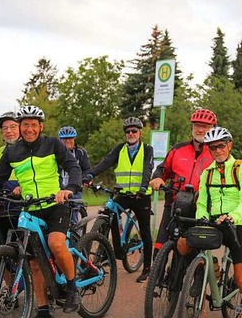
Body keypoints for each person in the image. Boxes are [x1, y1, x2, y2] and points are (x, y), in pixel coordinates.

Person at [0, 105, 83, 318]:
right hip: (29, 209)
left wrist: (69, 188)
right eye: (25, 125)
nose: (29, 129)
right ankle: (44, 313)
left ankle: (72, 288)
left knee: (56, 243)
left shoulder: (53, 144)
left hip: (55, 205)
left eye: (33, 125)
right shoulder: (12, 151)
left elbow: (72, 166)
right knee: (34, 263)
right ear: (20, 127)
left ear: (41, 127)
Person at [178, 126, 242, 318]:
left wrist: (234, 215)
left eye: (221, 146)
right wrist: (201, 220)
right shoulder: (207, 173)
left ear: (230, 145)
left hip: (239, 223)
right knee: (184, 245)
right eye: (212, 147)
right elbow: (201, 202)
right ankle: (212, 266)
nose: (217, 150)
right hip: (213, 222)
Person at [85, 117, 154, 283]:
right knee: (109, 213)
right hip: (123, 193)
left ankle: (146, 268)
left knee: (145, 231)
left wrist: (143, 187)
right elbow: (105, 163)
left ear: (140, 133)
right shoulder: (120, 149)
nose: (130, 134)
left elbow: (147, 169)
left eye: (134, 131)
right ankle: (115, 251)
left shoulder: (147, 149)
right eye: (128, 131)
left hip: (141, 195)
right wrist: (90, 174)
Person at [149, 108, 216, 257]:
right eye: (197, 125)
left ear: (212, 129)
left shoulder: (216, 152)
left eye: (205, 126)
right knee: (159, 249)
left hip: (200, 208)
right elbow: (162, 169)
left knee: (191, 252)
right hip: (174, 204)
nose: (200, 130)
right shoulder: (178, 149)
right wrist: (157, 178)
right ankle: (157, 279)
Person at [57, 126, 91, 224]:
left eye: (70, 138)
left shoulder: (81, 153)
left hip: (75, 188)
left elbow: (87, 168)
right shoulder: (56, 154)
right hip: (59, 188)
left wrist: (85, 178)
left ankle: (75, 237)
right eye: (64, 139)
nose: (67, 141)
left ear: (74, 139)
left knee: (73, 217)